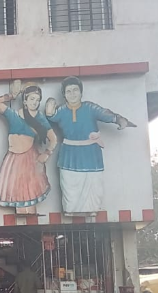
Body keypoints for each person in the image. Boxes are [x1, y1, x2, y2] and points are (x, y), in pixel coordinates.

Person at [47, 76, 135, 215]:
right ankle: (71, 210)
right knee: (70, 185)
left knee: (94, 184)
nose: (73, 94)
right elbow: (50, 116)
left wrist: (119, 119)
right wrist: (49, 106)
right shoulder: (62, 111)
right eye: (68, 91)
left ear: (81, 92)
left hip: (91, 153)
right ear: (64, 95)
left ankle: (92, 209)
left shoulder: (89, 107)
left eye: (75, 90)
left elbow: (105, 113)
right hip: (70, 154)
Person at [0, 82, 58, 213]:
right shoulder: (14, 115)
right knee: (18, 196)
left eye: (38, 100)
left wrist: (47, 153)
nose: (35, 102)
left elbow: (54, 139)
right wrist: (11, 96)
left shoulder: (40, 118)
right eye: (32, 99)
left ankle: (31, 226)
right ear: (25, 101)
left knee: (29, 195)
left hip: (30, 160)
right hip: (14, 160)